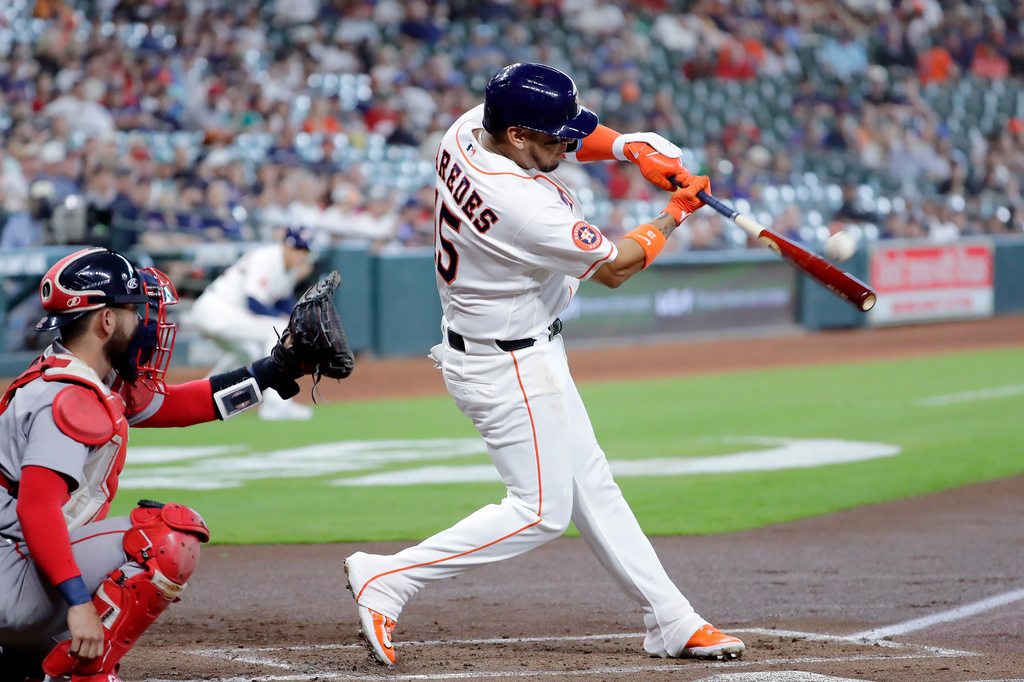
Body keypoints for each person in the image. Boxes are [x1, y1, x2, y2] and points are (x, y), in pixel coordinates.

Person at [343, 62, 745, 667]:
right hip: (506, 366)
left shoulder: (466, 129)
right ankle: (390, 577)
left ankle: (672, 619)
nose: (567, 143)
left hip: (521, 346)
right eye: (554, 137)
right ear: (516, 138)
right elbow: (615, 267)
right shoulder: (520, 203)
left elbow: (568, 139)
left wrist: (631, 148)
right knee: (539, 512)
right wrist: (674, 215)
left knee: (594, 487)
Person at [0, 247, 330, 682]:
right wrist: (79, 604)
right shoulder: (69, 398)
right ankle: (84, 673)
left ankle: (26, 656)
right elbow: (36, 510)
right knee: (165, 536)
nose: (147, 322)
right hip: (11, 577)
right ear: (106, 320)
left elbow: (181, 404)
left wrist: (274, 369)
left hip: (13, 570)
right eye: (136, 310)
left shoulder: (81, 377)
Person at [188, 225, 316, 421]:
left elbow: (283, 303)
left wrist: (301, 322)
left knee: (249, 354)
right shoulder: (266, 258)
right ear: (285, 245)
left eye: (305, 250)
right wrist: (288, 324)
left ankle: (203, 397)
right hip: (216, 309)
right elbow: (254, 301)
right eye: (297, 248)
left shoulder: (288, 270)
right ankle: (275, 403)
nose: (301, 254)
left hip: (226, 314)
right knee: (278, 332)